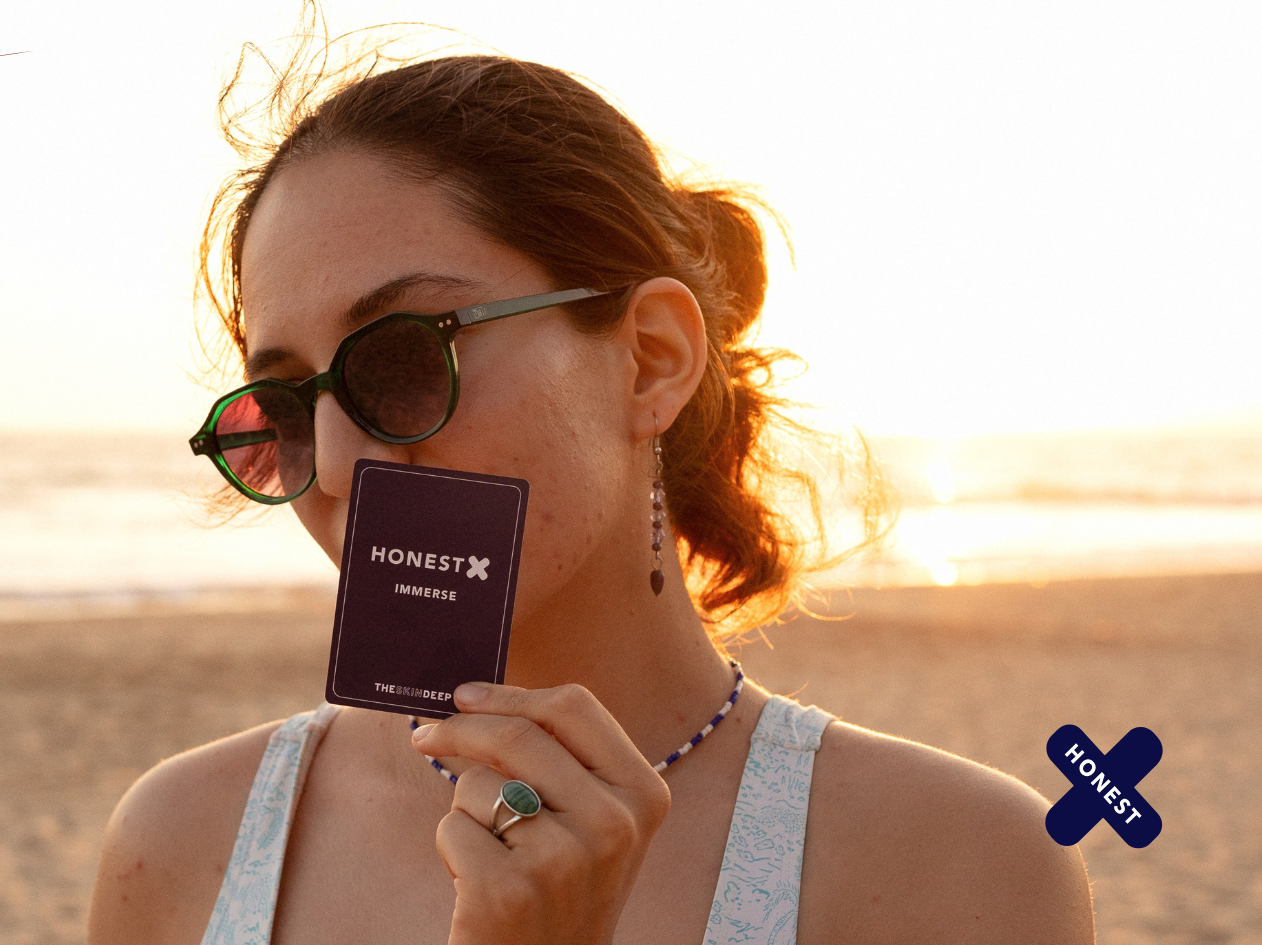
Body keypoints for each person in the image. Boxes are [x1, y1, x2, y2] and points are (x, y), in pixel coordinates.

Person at [88, 44, 1094, 945]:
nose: (344, 466)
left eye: (404, 360)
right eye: (286, 406)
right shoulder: (183, 843)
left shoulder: (962, 866)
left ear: (651, 359)